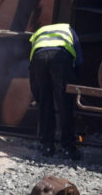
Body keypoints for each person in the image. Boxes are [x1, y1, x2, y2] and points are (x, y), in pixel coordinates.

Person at [29, 23, 82, 160]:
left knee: (45, 103)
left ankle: (47, 146)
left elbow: (31, 66)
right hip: (60, 57)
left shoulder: (39, 30)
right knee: (64, 103)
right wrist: (74, 82)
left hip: (39, 57)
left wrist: (37, 95)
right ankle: (68, 148)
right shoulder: (69, 29)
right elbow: (80, 60)